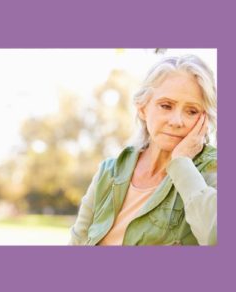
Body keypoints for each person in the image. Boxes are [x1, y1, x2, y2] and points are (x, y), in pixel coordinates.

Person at [69, 54, 217, 246]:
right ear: (142, 108)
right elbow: (77, 242)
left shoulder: (214, 170)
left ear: (205, 119)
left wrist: (181, 163)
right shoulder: (109, 172)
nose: (176, 121)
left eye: (192, 111)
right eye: (166, 106)